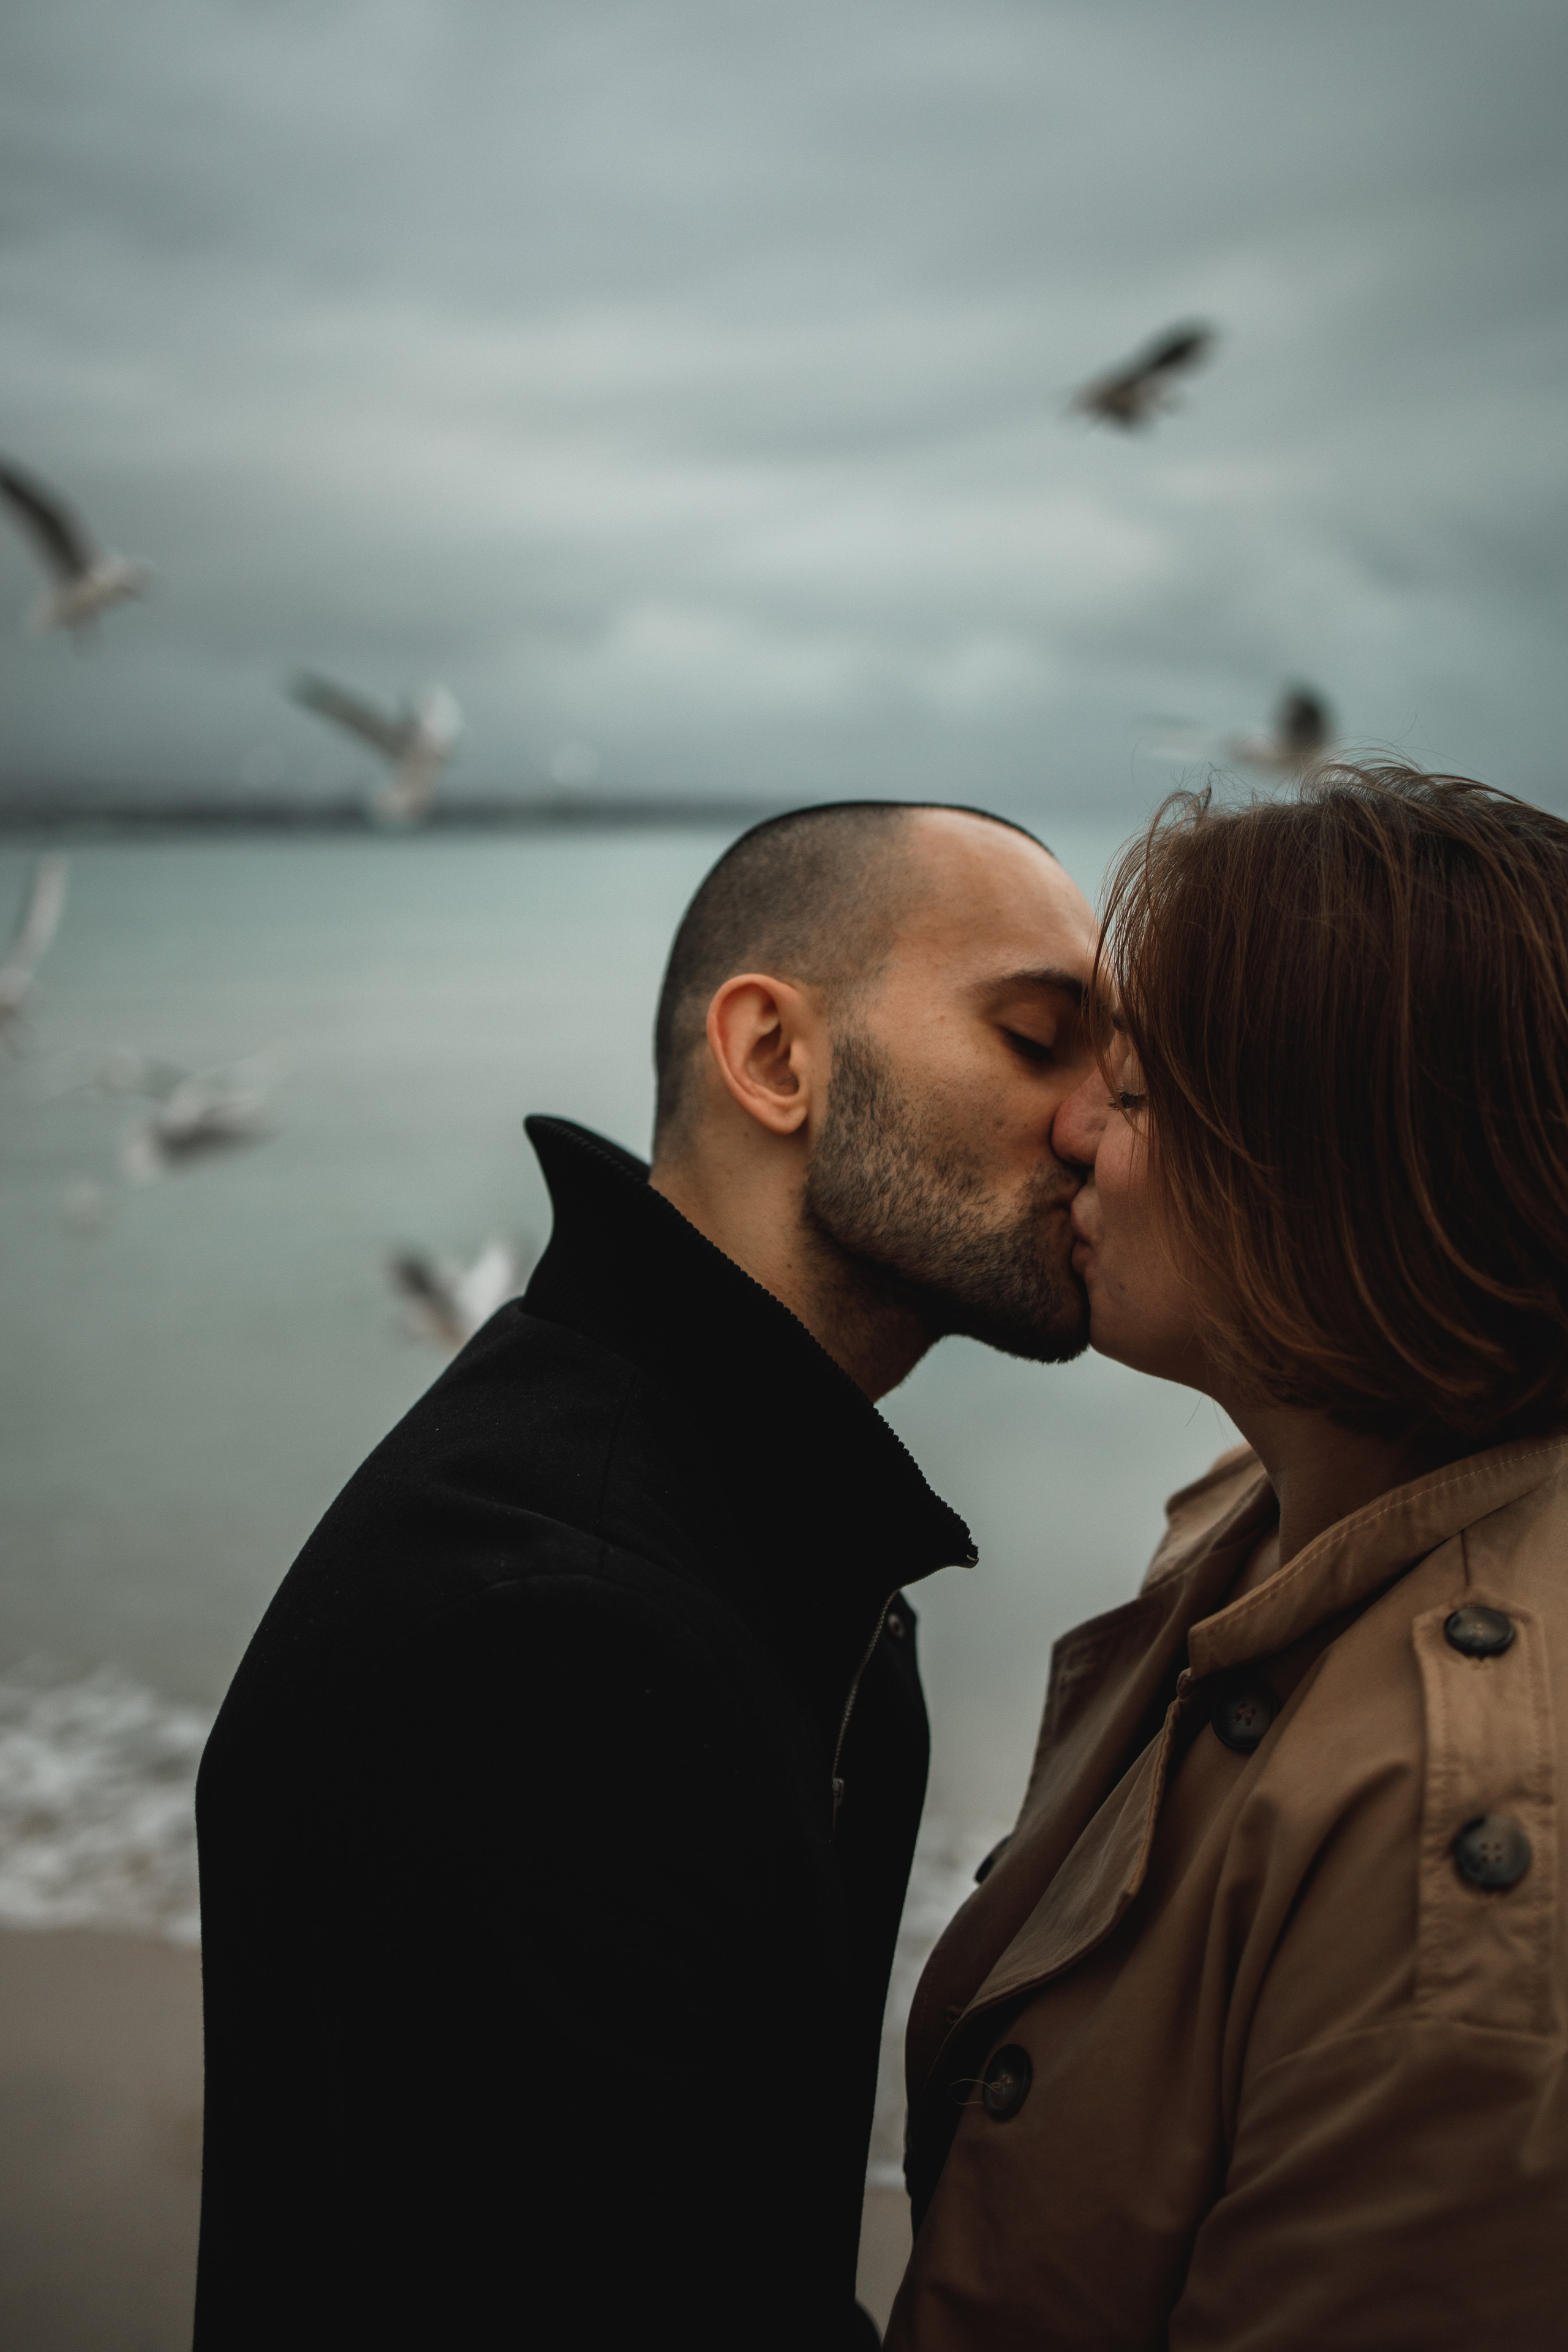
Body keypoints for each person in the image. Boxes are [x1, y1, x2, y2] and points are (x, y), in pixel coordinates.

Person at [193, 799, 1099, 2350]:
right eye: (1035, 1040)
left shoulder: (764, 1531)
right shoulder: (551, 1645)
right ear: (773, 1059)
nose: (1095, 1123)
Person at [889, 764, 1568, 2351]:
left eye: (1129, 1094)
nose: (1069, 1133)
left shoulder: (1468, 1822)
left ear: (1329, 1170)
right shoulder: (1256, 1518)